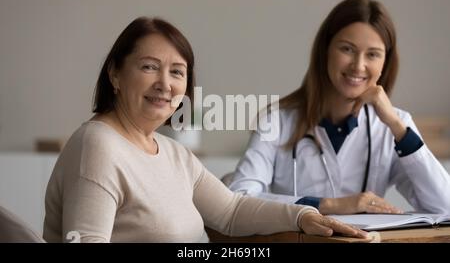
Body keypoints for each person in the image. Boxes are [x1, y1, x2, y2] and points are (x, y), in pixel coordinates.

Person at [42, 17, 367, 242]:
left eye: (177, 72)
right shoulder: (98, 145)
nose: (165, 84)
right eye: (149, 67)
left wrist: (301, 216)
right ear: (115, 74)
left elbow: (231, 211)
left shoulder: (172, 153)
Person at [229, 0, 450, 215]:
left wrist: (396, 125)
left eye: (372, 54)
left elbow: (445, 206)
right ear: (326, 50)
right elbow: (240, 198)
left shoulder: (395, 127)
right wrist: (329, 205)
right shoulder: (277, 120)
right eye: (347, 49)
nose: (358, 66)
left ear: (385, 63)